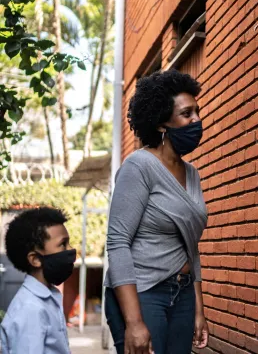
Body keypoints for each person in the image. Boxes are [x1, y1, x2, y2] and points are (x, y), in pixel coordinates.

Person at [104, 70, 208, 354]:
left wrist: (199, 308)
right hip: (142, 293)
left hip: (183, 293)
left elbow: (191, 245)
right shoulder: (139, 167)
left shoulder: (192, 174)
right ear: (163, 123)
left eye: (197, 111)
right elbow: (117, 242)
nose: (196, 120)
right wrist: (134, 322)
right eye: (187, 114)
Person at [0, 207, 76, 354]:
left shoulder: (47, 298)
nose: (71, 250)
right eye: (63, 244)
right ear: (35, 259)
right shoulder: (30, 309)